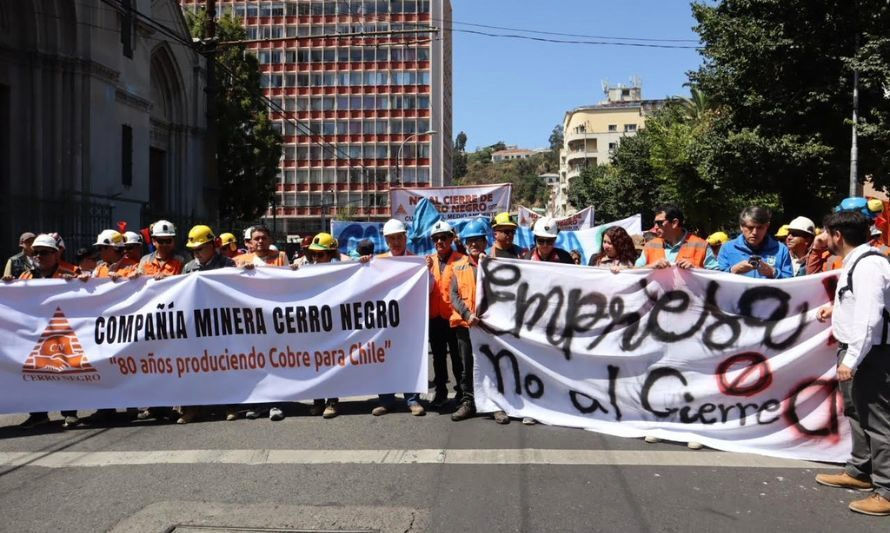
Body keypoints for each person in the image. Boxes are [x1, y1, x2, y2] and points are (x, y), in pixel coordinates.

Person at [813, 211, 890, 516]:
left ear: (837, 236)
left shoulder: (869, 265)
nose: (824, 238)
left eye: (825, 233)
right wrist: (836, 308)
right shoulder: (859, 262)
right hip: (861, 352)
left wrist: (852, 358)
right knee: (856, 412)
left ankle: (886, 490)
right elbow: (863, 304)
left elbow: (870, 318)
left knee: (878, 420)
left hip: (870, 355)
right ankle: (860, 471)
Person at [4, 234, 79, 429]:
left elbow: (91, 291)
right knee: (33, 373)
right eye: (36, 253)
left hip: (63, 331)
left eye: (44, 253)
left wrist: (83, 281)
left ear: (55, 254)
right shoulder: (26, 277)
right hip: (33, 334)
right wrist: (8, 286)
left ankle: (69, 412)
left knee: (67, 373)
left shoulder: (70, 272)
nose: (39, 256)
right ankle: (38, 414)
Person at [368, 219, 425, 417]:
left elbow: (430, 288)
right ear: (386, 240)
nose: (396, 242)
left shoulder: (416, 262)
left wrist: (426, 271)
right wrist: (363, 265)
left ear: (405, 237)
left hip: (409, 320)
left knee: (410, 358)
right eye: (392, 238)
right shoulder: (378, 261)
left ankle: (412, 399)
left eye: (399, 237)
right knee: (384, 359)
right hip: (385, 321)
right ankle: (386, 400)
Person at [449, 219, 489, 422]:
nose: (474, 244)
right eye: (470, 241)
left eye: (478, 240)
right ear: (465, 244)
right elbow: (453, 295)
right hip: (466, 326)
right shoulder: (458, 267)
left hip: (489, 328)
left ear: (485, 242)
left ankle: (493, 404)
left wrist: (486, 265)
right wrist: (467, 315)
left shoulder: (493, 265)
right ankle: (468, 402)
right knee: (467, 367)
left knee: (491, 364)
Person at [304, 232, 343, 419]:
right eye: (313, 254)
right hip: (313, 326)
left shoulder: (341, 270)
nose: (316, 258)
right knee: (316, 363)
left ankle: (332, 401)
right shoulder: (307, 268)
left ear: (331, 254)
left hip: (332, 326)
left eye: (320, 255)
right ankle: (318, 401)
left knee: (331, 362)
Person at [426, 220, 464, 410]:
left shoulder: (461, 260)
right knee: (438, 358)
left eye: (443, 237)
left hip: (454, 318)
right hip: (435, 318)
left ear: (451, 238)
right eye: (436, 238)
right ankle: (440, 391)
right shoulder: (427, 261)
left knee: (458, 359)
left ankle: (461, 392)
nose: (440, 241)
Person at [717, 206, 793, 278]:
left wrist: (774, 272)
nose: (755, 232)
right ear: (741, 226)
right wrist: (732, 270)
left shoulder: (781, 250)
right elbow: (717, 279)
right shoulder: (727, 249)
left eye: (760, 228)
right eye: (750, 227)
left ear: (767, 226)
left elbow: (791, 282)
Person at [636, 205, 718, 270]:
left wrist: (695, 269)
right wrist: (650, 266)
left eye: (659, 223)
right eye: (655, 223)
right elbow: (633, 272)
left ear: (674, 223)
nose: (655, 227)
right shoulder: (650, 245)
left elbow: (717, 276)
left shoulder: (701, 245)